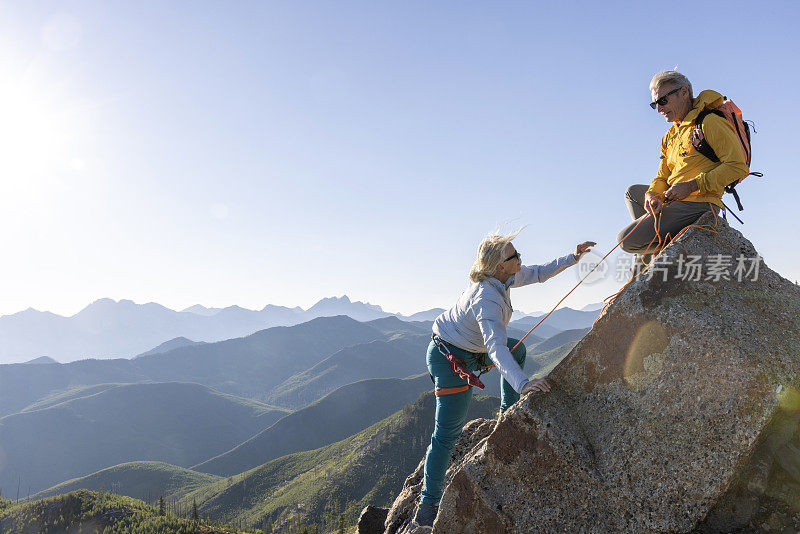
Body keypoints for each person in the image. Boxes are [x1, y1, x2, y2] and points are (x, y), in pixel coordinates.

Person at [411, 229, 595, 528]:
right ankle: (427, 505)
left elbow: (537, 273)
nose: (520, 258)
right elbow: (496, 348)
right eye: (514, 256)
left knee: (517, 349)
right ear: (500, 265)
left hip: (470, 349)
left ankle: (506, 414)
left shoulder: (503, 278)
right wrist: (524, 384)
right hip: (450, 359)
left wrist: (572, 258)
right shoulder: (487, 298)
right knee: (446, 435)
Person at [617, 71, 748, 268]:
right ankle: (658, 252)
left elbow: (737, 166)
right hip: (674, 199)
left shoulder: (709, 122)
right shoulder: (669, 136)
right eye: (655, 104)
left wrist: (692, 185)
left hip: (700, 203)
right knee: (634, 193)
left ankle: (655, 260)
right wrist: (652, 194)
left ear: (684, 92)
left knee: (626, 240)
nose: (659, 108)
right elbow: (663, 175)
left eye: (663, 100)